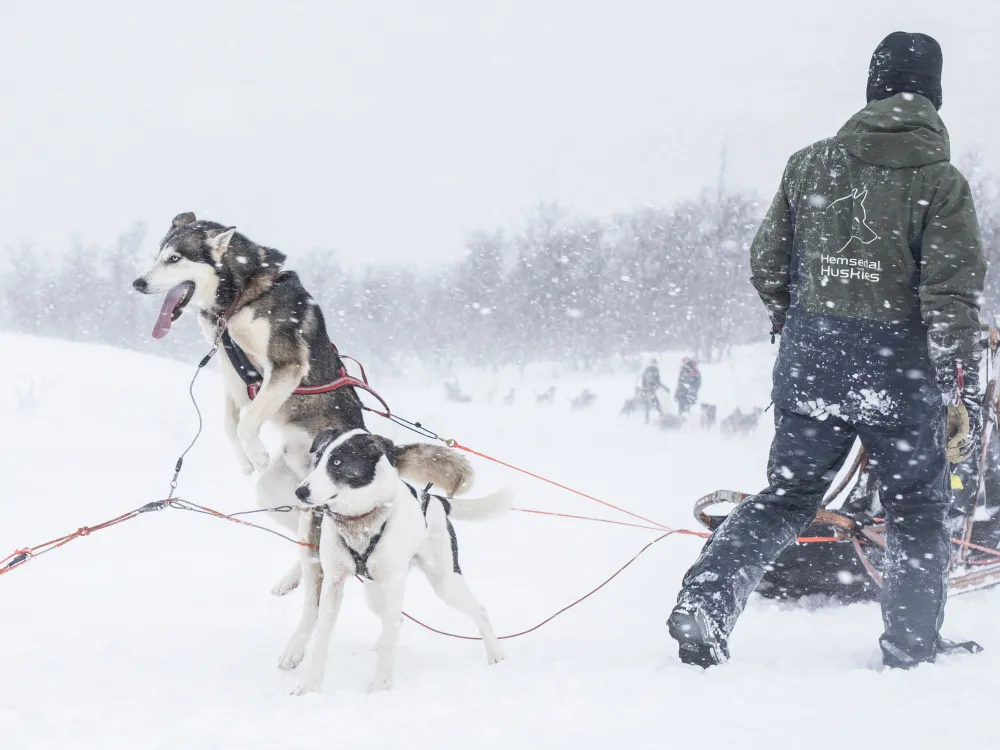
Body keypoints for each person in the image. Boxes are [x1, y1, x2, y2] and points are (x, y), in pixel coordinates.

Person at [668, 32, 986, 670]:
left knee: (786, 499)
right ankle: (912, 644)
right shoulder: (941, 181)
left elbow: (767, 261)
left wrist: (798, 324)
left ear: (872, 88)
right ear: (934, 95)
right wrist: (959, 383)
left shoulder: (810, 164)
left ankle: (706, 602)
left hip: (812, 361)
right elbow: (950, 295)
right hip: (899, 373)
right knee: (916, 510)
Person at [640, 359, 669, 424]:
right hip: (649, 390)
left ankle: (649, 419)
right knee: (653, 403)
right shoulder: (652, 370)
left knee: (651, 404)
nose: (655, 364)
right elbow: (655, 381)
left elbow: (645, 379)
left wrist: (662, 386)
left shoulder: (648, 369)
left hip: (648, 390)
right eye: (654, 363)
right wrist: (661, 386)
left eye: (655, 363)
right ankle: (659, 416)